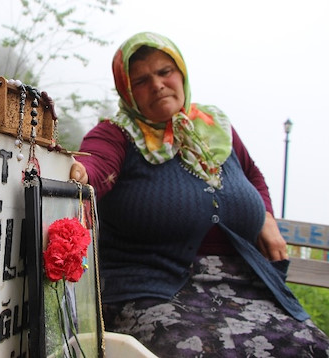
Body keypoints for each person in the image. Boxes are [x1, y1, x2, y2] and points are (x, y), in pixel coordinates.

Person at [70, 32, 329, 357]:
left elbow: (252, 174)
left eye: (165, 72)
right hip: (152, 289)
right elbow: (95, 164)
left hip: (245, 285)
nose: (158, 84)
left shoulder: (215, 127)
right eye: (141, 80)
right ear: (126, 89)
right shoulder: (116, 134)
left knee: (311, 348)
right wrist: (80, 173)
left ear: (181, 73)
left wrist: (264, 215)